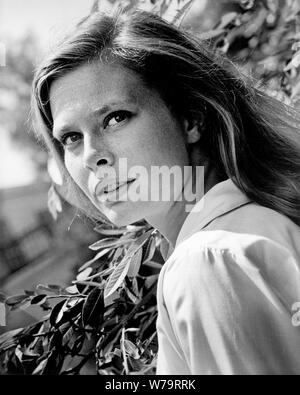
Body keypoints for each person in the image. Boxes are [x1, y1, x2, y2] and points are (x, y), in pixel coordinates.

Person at [32, 9, 300, 374]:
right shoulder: (254, 224)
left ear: (191, 118)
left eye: (115, 117)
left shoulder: (208, 261)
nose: (93, 156)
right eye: (71, 138)